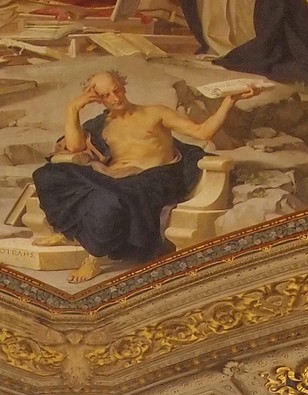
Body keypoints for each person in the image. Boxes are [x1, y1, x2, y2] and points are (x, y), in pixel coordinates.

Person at [31, 72, 259, 283]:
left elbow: (203, 133)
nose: (115, 97)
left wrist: (229, 101)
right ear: (97, 99)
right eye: (106, 95)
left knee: (109, 199)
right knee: (47, 176)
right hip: (114, 177)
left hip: (153, 179)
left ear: (123, 87)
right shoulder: (102, 123)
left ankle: (94, 258)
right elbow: (75, 147)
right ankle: (70, 234)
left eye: (117, 89)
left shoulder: (155, 113)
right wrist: (73, 109)